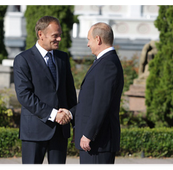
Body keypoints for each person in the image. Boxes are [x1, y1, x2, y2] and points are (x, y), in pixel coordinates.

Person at [13, 16, 77, 165]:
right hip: (34, 131)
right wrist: (54, 114)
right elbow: (24, 96)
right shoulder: (23, 59)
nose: (59, 39)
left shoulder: (62, 58)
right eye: (55, 35)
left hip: (60, 131)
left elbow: (70, 94)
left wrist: (75, 125)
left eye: (60, 34)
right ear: (41, 34)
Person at [60, 22, 124, 165]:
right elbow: (90, 101)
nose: (88, 44)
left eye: (89, 39)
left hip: (98, 142)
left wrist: (89, 134)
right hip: (96, 142)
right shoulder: (104, 62)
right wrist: (70, 113)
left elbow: (101, 103)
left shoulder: (107, 64)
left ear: (98, 39)